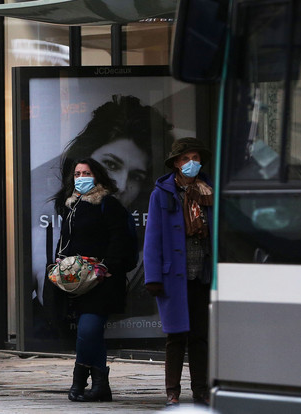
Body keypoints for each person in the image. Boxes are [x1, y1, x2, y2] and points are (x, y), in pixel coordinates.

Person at [32, 95, 175, 317]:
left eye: (136, 176)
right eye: (110, 164)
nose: (121, 183)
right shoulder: (52, 221)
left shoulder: (135, 235)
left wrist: (106, 268)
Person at [50, 158, 133, 402]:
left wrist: (107, 266)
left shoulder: (108, 204)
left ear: (97, 176)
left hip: (103, 280)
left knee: (88, 330)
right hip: (77, 281)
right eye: (77, 173)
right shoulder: (71, 206)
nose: (81, 177)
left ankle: (78, 379)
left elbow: (121, 240)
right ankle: (100, 386)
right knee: (92, 334)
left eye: (86, 172)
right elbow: (65, 241)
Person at [143, 137, 214, 407]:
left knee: (200, 335)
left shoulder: (209, 191)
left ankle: (201, 390)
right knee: (175, 336)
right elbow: (152, 238)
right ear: (175, 163)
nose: (191, 163)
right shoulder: (162, 193)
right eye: (186, 159)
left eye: (195, 158)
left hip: (202, 274)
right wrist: (153, 277)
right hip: (173, 275)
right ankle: (172, 392)